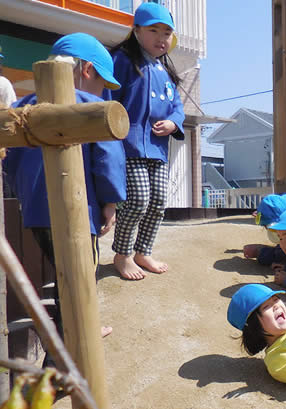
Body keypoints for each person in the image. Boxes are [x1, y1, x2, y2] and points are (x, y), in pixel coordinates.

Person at [3, 33, 125, 343]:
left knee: (63, 274)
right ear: (86, 70)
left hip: (35, 213)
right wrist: (111, 202)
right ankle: (78, 336)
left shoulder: (21, 108)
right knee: (81, 276)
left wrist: (23, 194)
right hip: (80, 210)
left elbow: (10, 159)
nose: (102, 91)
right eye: (102, 83)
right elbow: (109, 158)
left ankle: (70, 331)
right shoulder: (91, 106)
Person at [110, 3, 185, 280]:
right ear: (137, 30)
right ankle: (123, 254)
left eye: (166, 32)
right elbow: (109, 99)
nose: (161, 38)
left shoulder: (164, 70)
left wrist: (173, 123)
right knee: (138, 200)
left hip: (158, 149)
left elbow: (177, 107)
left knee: (159, 201)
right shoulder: (122, 60)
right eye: (153, 30)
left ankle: (144, 251)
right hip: (129, 146)